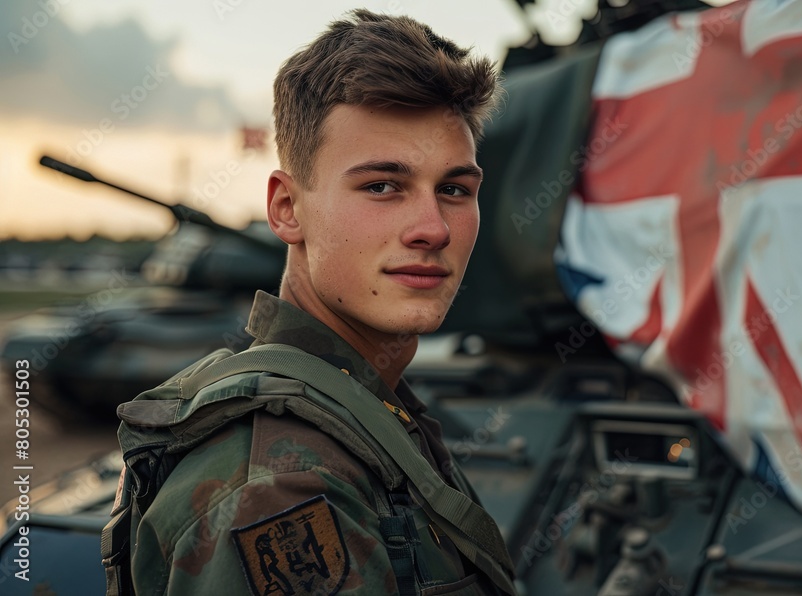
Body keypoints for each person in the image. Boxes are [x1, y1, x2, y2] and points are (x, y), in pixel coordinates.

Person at [101, 9, 514, 595]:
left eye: (453, 190)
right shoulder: (277, 488)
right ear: (287, 208)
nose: (433, 229)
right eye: (382, 186)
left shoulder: (363, 404)